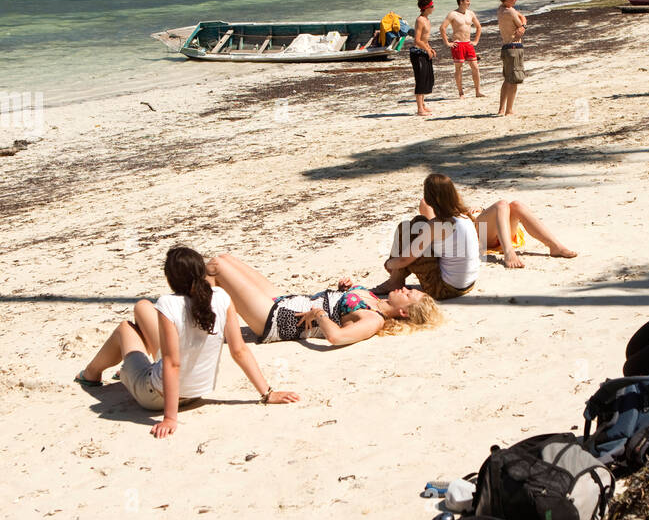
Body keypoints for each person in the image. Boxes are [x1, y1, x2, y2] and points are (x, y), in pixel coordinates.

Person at [75, 245, 299, 438]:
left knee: (125, 329)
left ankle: (91, 374)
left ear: (171, 280)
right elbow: (239, 351)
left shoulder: (167, 304)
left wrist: (170, 418)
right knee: (142, 306)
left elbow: (173, 363)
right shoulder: (221, 298)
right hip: (196, 394)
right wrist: (267, 393)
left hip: (155, 397)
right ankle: (127, 369)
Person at [377, 173, 576, 295]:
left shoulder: (443, 222)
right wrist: (471, 214)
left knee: (410, 228)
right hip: (468, 253)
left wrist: (390, 263)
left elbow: (404, 258)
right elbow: (452, 213)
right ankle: (548, 247)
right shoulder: (458, 215)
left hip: (455, 270)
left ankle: (521, 251)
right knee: (505, 205)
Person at [205, 253, 442, 345]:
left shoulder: (374, 320)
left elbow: (336, 337)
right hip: (285, 300)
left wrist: (319, 314)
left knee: (217, 267)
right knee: (225, 258)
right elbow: (342, 309)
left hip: (278, 319)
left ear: (404, 313)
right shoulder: (374, 299)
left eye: (408, 294)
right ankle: (205, 320)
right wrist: (343, 290)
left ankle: (198, 321)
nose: (405, 289)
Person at [440, 0, 483, 98]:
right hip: (458, 44)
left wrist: (476, 41)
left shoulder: (470, 13)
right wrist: (447, 42)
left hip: (468, 43)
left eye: (469, 1)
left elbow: (478, 27)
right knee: (459, 68)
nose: (469, 3)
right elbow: (442, 27)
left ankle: (478, 91)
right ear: (461, 1)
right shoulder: (453, 14)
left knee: (475, 67)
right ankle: (460, 92)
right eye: (467, 1)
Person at [497, 0, 526, 116]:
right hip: (514, 47)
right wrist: (523, 25)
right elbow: (521, 25)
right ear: (508, 0)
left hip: (506, 47)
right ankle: (509, 110)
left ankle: (501, 108)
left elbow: (521, 19)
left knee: (507, 79)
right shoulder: (510, 12)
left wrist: (523, 24)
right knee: (514, 80)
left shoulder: (501, 9)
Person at [408, 0, 436, 116]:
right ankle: (420, 109)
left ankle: (423, 105)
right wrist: (427, 50)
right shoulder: (420, 20)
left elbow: (425, 39)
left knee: (426, 78)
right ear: (426, 8)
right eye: (432, 6)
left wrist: (430, 48)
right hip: (417, 53)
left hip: (424, 51)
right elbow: (417, 40)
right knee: (420, 79)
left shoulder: (427, 20)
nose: (433, 8)